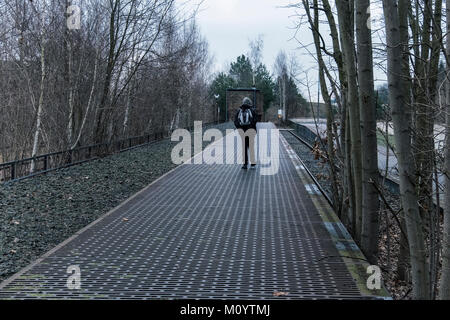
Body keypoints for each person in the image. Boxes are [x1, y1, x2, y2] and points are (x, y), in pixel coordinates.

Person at [234, 97, 257, 170]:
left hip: (242, 132)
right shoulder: (252, 110)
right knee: (251, 147)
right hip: (251, 132)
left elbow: (235, 121)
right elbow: (255, 120)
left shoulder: (239, 111)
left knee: (244, 148)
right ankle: (253, 164)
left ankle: (245, 164)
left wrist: (240, 129)